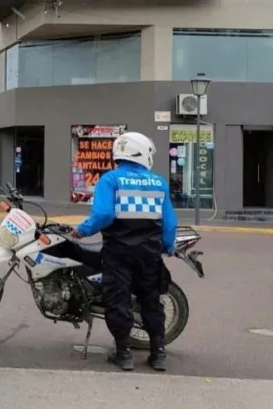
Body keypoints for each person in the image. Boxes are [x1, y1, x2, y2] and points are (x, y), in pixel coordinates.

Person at [71, 131, 177, 372]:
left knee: (118, 301)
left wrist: (82, 231)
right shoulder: (159, 182)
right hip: (149, 254)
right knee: (150, 301)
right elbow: (169, 225)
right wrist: (167, 246)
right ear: (144, 153)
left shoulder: (111, 180)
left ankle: (123, 354)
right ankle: (158, 353)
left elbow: (104, 215)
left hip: (118, 253)